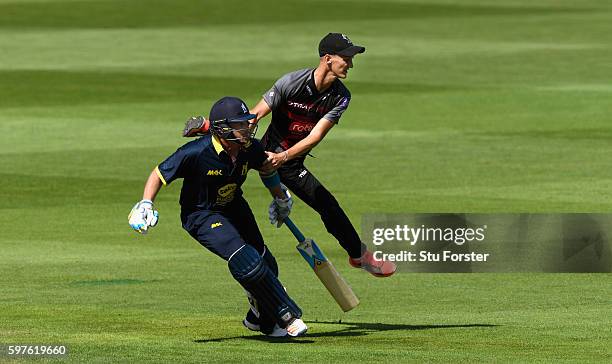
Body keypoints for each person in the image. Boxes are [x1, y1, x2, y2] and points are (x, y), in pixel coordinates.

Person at [128, 96, 307, 337]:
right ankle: (286, 315)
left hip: (234, 206)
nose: (247, 128)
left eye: (247, 123)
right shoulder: (197, 151)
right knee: (246, 260)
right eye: (240, 124)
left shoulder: (249, 148)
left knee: (266, 263)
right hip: (201, 214)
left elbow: (266, 167)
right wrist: (146, 203)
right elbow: (159, 174)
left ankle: (259, 319)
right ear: (223, 128)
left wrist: (281, 198)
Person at [248, 33, 396, 277]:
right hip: (262, 152)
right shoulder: (291, 82)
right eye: (346, 58)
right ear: (328, 58)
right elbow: (255, 115)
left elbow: (314, 137)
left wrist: (283, 159)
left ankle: (358, 256)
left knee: (327, 204)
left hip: (290, 163)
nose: (350, 64)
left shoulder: (341, 96)